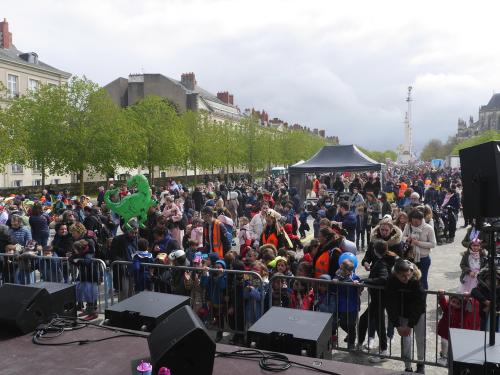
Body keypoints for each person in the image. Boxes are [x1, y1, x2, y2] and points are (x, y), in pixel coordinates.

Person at [385, 258, 426, 374]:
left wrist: (410, 325)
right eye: (403, 276)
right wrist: (397, 325)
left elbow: (419, 303)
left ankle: (421, 363)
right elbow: (390, 303)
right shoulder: (392, 280)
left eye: (408, 275)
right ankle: (408, 366)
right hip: (402, 313)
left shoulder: (415, 280)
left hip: (418, 313)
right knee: (406, 341)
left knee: (420, 339)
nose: (406, 278)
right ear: (396, 274)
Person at [357, 240, 396, 362]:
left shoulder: (382, 263)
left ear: (376, 250)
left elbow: (383, 279)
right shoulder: (383, 260)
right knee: (368, 321)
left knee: (377, 324)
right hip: (378, 298)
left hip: (380, 298)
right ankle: (362, 344)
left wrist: (366, 281)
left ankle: (383, 351)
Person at [436, 291, 480, 366]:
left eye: (458, 303)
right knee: (444, 342)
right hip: (446, 332)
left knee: (454, 350)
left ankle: (453, 361)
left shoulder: (464, 312)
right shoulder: (448, 308)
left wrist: (466, 299)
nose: (454, 304)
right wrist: (441, 296)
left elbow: (468, 306)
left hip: (457, 334)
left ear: (461, 305)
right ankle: (444, 357)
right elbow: (443, 304)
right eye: (453, 301)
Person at [402, 209, 436, 290]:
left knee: (422, 281)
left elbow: (433, 244)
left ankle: (422, 300)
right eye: (413, 221)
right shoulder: (408, 226)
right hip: (411, 258)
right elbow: (402, 237)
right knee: (410, 280)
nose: (415, 224)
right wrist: (407, 239)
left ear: (422, 220)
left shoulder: (428, 228)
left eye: (417, 222)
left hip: (424, 259)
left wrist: (418, 243)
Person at [332, 259, 360, 350]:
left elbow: (361, 289)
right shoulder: (338, 276)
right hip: (342, 305)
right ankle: (350, 335)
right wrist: (334, 281)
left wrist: (358, 285)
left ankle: (351, 344)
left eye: (348, 270)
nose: (345, 272)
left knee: (352, 325)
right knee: (343, 323)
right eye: (344, 269)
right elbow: (333, 286)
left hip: (353, 306)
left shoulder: (354, 277)